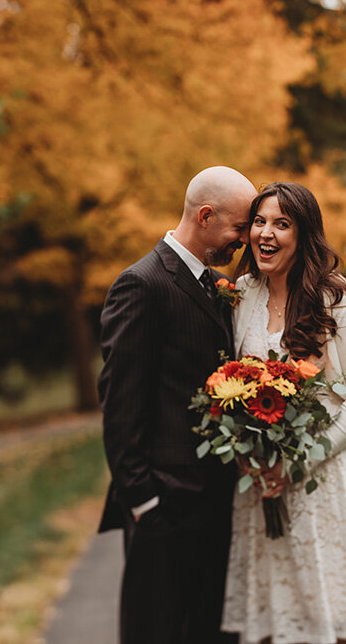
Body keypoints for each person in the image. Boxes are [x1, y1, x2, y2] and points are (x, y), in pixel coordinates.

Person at [221, 182, 346, 644]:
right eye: (259, 221)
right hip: (264, 484)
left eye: (282, 224)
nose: (267, 233)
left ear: (304, 236)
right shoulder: (242, 294)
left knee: (345, 621)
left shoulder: (332, 296)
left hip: (330, 478)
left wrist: (300, 460)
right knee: (277, 622)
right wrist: (247, 450)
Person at [97, 166, 256, 644]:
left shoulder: (216, 285)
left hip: (214, 501)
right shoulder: (141, 284)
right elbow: (120, 404)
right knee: (159, 631)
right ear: (206, 216)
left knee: (210, 630)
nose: (244, 242)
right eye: (239, 229)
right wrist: (144, 500)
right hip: (165, 506)